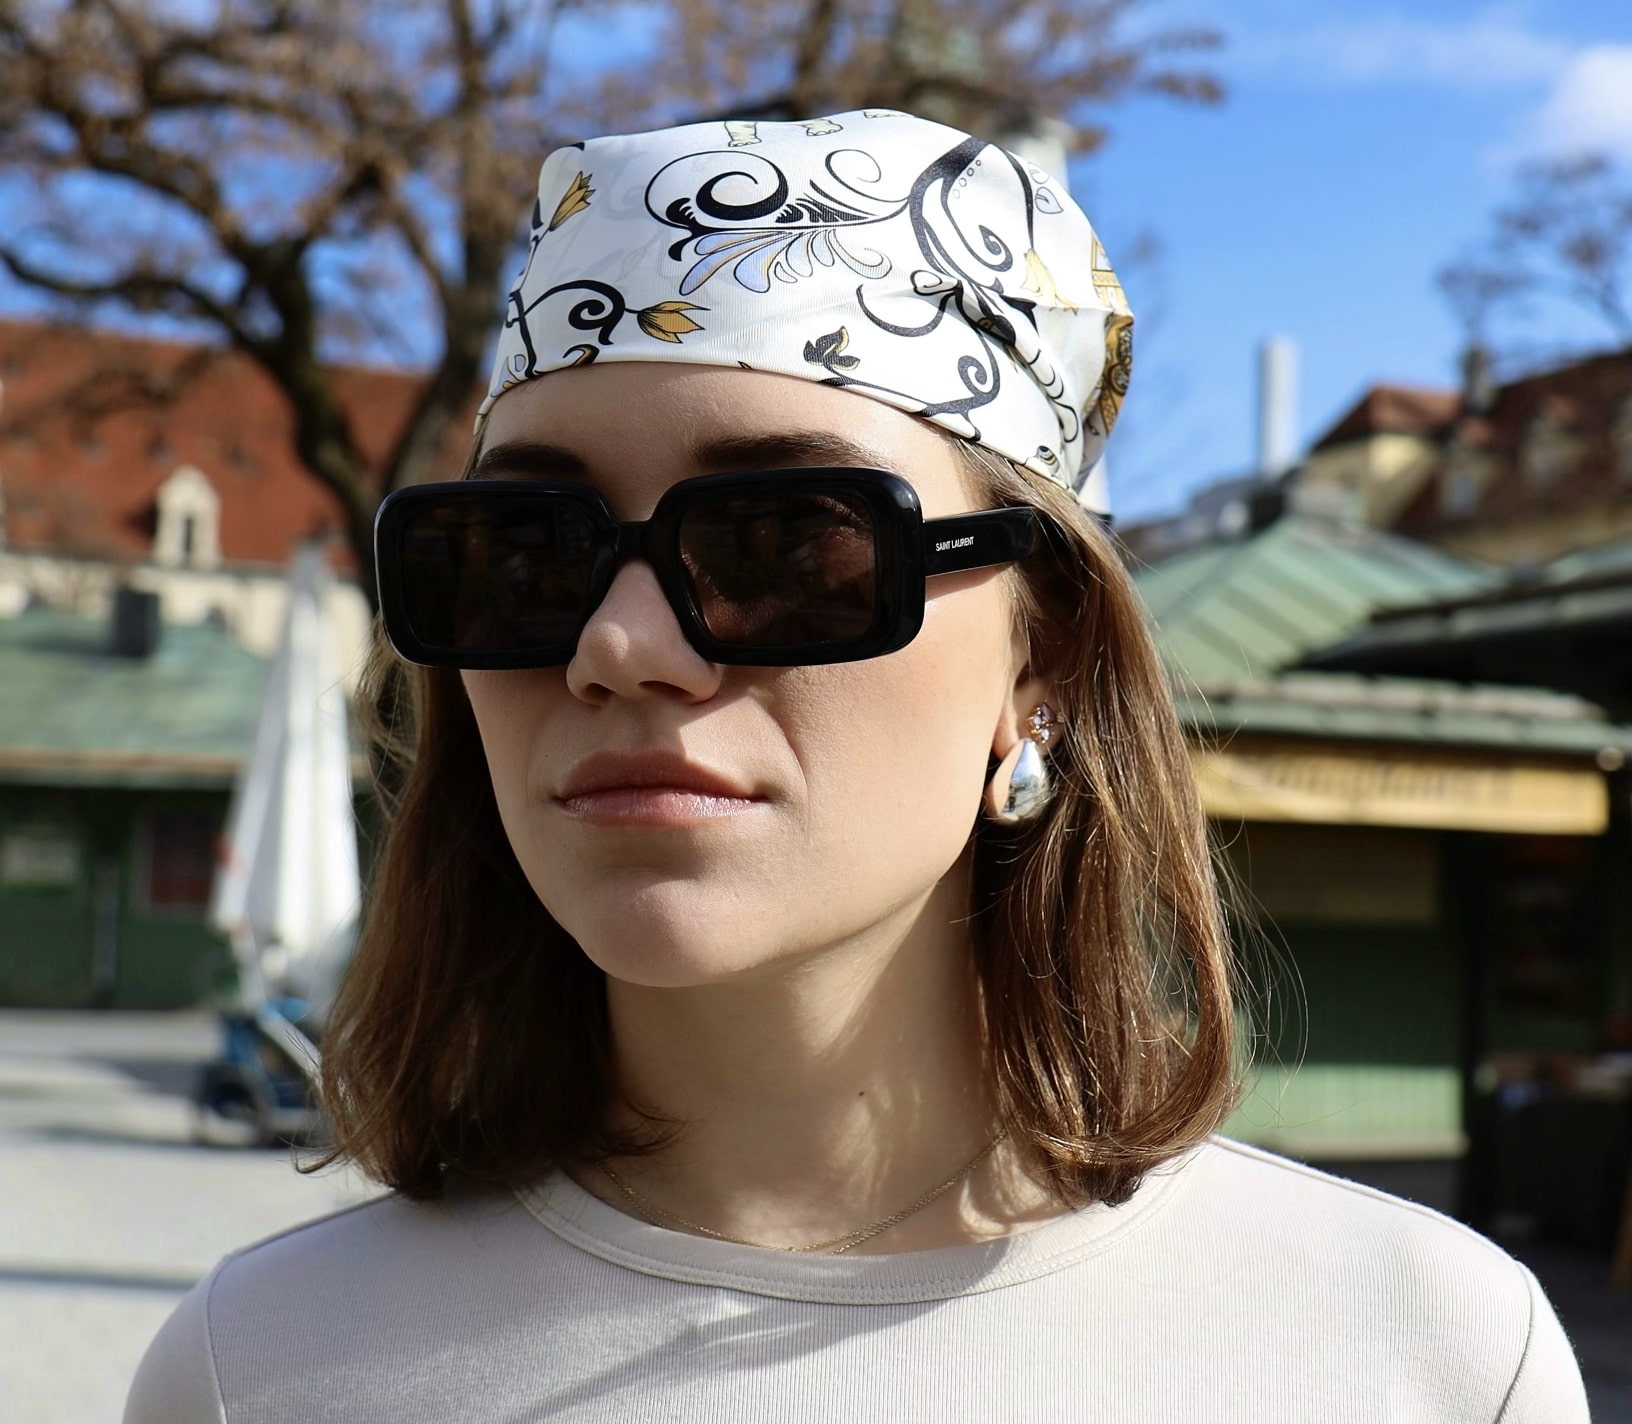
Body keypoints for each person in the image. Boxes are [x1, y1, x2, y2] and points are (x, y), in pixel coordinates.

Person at [125, 109, 1588, 1423]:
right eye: (522, 557)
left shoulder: (1423, 1357)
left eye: (787, 548)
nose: (620, 644)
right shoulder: (258, 1372)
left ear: (1043, 662)